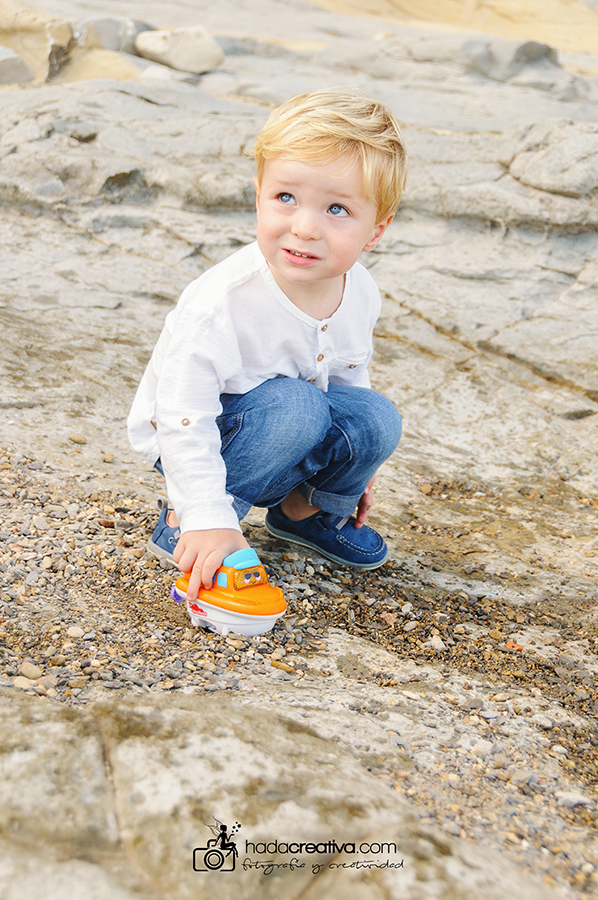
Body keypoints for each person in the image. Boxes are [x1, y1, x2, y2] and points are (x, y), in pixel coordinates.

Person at [127, 88, 408, 603]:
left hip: (287, 430)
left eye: (338, 209)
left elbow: (347, 382)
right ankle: (192, 522)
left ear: (376, 231)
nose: (305, 227)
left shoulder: (360, 290)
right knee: (297, 404)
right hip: (200, 435)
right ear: (258, 194)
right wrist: (202, 512)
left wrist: (351, 472)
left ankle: (304, 512)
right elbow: (181, 414)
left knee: (375, 416)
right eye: (286, 198)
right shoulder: (223, 302)